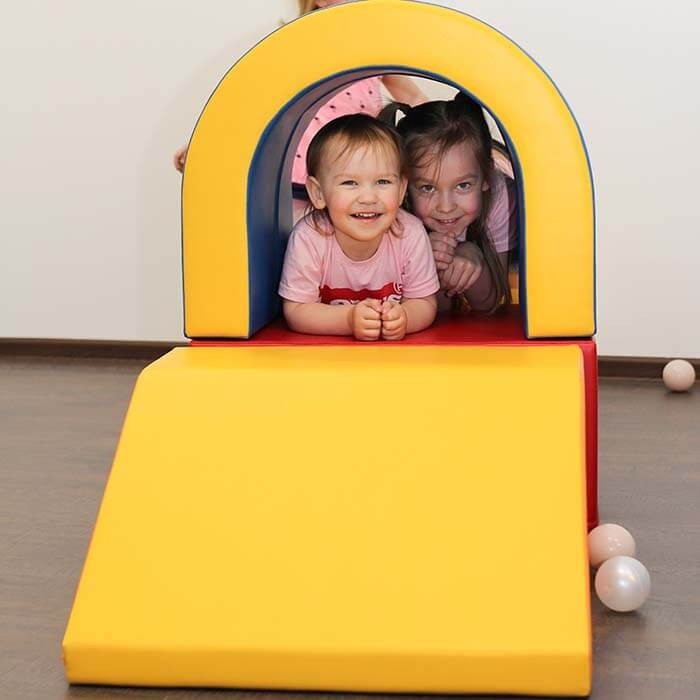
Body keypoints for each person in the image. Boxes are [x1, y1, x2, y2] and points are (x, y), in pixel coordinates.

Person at [173, 0, 426, 174]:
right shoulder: (295, 43)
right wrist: (206, 142)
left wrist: (443, 133)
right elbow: (251, 100)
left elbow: (412, 96)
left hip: (361, 171)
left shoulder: (374, 47)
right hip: (301, 173)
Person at [279, 114, 439, 341]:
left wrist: (405, 317)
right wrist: (348, 320)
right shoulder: (309, 238)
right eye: (350, 183)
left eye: (383, 182)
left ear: (401, 189)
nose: (368, 197)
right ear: (318, 193)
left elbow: (425, 302)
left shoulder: (409, 234)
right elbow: (296, 310)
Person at [380, 93, 517, 312]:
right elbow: (433, 313)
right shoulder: (392, 212)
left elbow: (489, 304)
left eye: (463, 186)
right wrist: (427, 262)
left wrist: (474, 259)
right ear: (404, 186)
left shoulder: (501, 197)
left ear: (486, 178)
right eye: (427, 188)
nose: (446, 207)